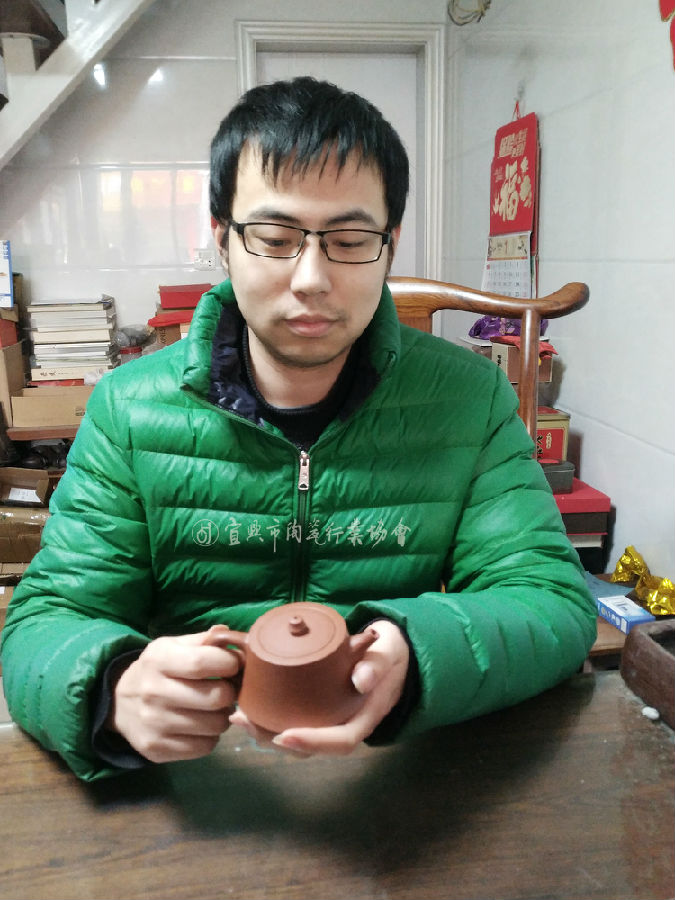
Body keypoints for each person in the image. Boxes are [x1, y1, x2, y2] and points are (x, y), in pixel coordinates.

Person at [0, 77, 596, 781]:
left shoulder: (468, 398)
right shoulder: (129, 409)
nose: (311, 278)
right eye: (275, 238)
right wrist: (113, 690)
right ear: (222, 240)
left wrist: (416, 658)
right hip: (199, 773)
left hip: (388, 770)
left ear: (389, 245)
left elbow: (550, 601)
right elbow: (47, 620)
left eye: (350, 240)